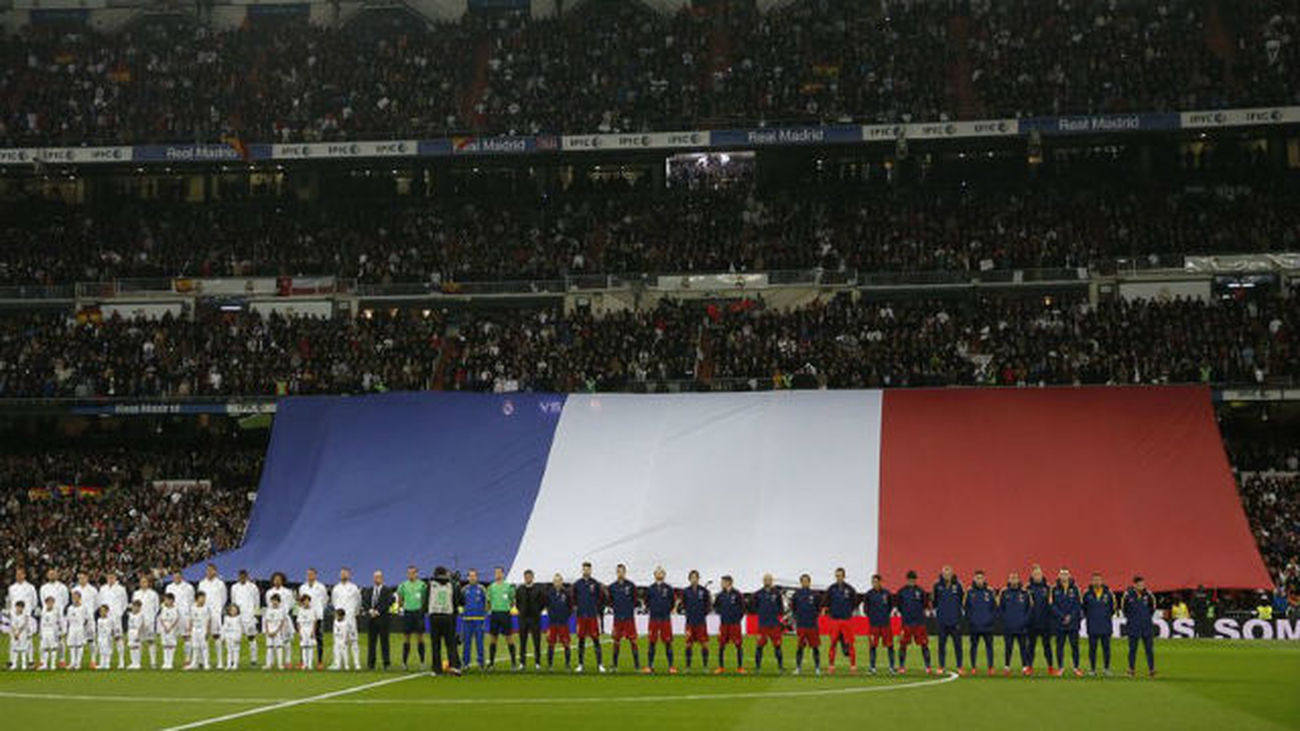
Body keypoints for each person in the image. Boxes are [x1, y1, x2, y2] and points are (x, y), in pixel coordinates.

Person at [427, 565, 463, 676]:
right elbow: (461, 601)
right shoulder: (452, 584)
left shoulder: (430, 585)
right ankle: (454, 666)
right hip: (448, 616)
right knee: (451, 643)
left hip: (434, 616)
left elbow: (426, 599)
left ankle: (436, 669)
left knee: (435, 644)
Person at [571, 562, 605, 673]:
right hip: (581, 617)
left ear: (591, 570)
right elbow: (573, 598)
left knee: (596, 640)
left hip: (592, 616)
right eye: (584, 569)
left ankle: (600, 664)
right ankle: (580, 664)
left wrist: (595, 608)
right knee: (581, 640)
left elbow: (601, 598)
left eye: (588, 569)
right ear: (582, 570)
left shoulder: (595, 584)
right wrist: (577, 607)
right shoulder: (577, 584)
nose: (586, 571)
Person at [896, 570, 932, 674]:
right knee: (903, 645)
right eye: (910, 579)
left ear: (916, 580)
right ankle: (902, 666)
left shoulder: (921, 591)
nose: (911, 581)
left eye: (913, 579)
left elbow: (925, 605)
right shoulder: (901, 591)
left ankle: (928, 666)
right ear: (907, 580)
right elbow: (899, 606)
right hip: (906, 623)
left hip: (919, 623)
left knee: (924, 644)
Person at [823, 567, 858, 673]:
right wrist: (831, 613)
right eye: (837, 576)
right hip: (835, 621)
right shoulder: (831, 589)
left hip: (846, 620)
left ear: (844, 576)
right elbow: (826, 602)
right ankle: (831, 666)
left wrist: (847, 612)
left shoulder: (850, 589)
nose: (838, 577)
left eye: (840, 575)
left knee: (850, 644)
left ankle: (853, 666)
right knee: (833, 643)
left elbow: (854, 602)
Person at [1051, 568, 1084, 677]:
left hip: (1073, 623)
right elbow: (1052, 605)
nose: (1064, 576)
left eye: (1066, 574)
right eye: (1062, 574)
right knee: (1059, 646)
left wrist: (1071, 616)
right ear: (1059, 576)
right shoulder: (1054, 589)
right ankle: (1060, 668)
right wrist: (1062, 616)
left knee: (1074, 646)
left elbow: (1078, 605)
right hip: (1059, 622)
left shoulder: (1075, 589)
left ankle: (1076, 667)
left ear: (1069, 576)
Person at [1122, 576, 1157, 677]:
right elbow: (1125, 609)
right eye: (1139, 584)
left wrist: (1145, 618)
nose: (1141, 586)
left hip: (1146, 626)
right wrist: (1132, 619)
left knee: (1149, 649)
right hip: (1133, 626)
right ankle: (1131, 669)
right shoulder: (1128, 595)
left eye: (1142, 584)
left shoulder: (1149, 594)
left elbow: (1152, 608)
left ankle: (1151, 669)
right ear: (1134, 585)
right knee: (1132, 649)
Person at [608, 564, 641, 673]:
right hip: (617, 619)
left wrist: (628, 609)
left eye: (622, 571)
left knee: (633, 641)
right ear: (616, 573)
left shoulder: (631, 586)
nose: (620, 573)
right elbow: (610, 601)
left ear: (625, 572)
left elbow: (635, 601)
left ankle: (637, 666)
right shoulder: (612, 587)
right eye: (618, 571)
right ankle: (614, 665)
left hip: (629, 618)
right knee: (616, 642)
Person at [643, 567, 676, 674]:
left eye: (661, 572)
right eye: (657, 572)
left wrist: (666, 611)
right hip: (653, 619)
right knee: (652, 642)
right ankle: (650, 666)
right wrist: (653, 610)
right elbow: (646, 602)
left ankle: (671, 666)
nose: (659, 574)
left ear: (664, 574)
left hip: (665, 619)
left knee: (668, 642)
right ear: (654, 574)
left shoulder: (669, 588)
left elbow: (672, 602)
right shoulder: (650, 589)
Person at [999, 572, 1032, 676]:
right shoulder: (1004, 593)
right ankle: (1007, 667)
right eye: (1011, 578)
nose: (1013, 580)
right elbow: (1001, 609)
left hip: (1022, 626)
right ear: (1009, 580)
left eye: (1015, 578)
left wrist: (1024, 621)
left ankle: (1024, 667)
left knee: (1023, 648)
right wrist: (1006, 620)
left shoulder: (1025, 593)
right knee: (1008, 647)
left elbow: (1029, 609)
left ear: (1018, 580)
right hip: (1008, 626)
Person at [1083, 572, 1116, 676]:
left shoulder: (1108, 593)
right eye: (1095, 580)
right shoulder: (1087, 593)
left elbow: (1113, 609)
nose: (1097, 582)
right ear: (1092, 581)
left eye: (1098, 580)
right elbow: (1084, 608)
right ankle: (1092, 669)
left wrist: (1105, 617)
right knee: (1092, 649)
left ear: (1102, 581)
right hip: (1092, 625)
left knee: (1106, 648)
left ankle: (1106, 669)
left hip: (1105, 625)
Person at [933, 565, 964, 673]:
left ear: (952, 574)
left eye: (948, 573)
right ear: (942, 574)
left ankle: (959, 666)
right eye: (945, 573)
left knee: (958, 645)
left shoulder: (958, 585)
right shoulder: (937, 585)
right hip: (942, 621)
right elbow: (935, 602)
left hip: (955, 621)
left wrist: (958, 617)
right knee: (941, 645)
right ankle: (941, 666)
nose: (947, 575)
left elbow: (960, 600)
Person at [965, 570, 996, 676]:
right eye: (977, 578)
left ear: (984, 579)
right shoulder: (969, 592)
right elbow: (966, 609)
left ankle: (990, 667)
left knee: (989, 647)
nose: (979, 580)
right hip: (974, 626)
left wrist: (990, 620)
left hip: (987, 626)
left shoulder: (990, 592)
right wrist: (971, 620)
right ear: (974, 579)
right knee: (973, 647)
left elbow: (994, 609)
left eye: (981, 578)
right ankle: (973, 667)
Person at [396, 565, 428, 670]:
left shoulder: (422, 585)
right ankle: (404, 663)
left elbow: (424, 599)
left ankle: (422, 662)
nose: (411, 575)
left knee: (420, 638)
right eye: (409, 573)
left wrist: (422, 609)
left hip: (418, 613)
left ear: (416, 574)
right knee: (406, 638)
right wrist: (400, 608)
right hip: (408, 613)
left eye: (413, 573)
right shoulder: (403, 585)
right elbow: (400, 599)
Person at [752, 573, 785, 673]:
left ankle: (780, 667)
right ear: (763, 581)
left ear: (772, 581)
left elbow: (781, 608)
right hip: (762, 625)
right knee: (759, 646)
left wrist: (778, 618)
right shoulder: (758, 593)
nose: (767, 581)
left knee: (777, 646)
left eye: (769, 579)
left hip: (774, 624)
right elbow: (754, 607)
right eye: (765, 579)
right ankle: (758, 667)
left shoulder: (777, 593)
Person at [486, 566, 517, 670]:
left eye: (499, 573)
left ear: (503, 574)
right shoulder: (491, 587)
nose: (498, 575)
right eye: (496, 573)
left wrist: (507, 607)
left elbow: (512, 601)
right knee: (493, 639)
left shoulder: (508, 587)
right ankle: (491, 663)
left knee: (509, 638)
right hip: (494, 614)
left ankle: (513, 663)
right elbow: (489, 601)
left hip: (505, 614)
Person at [864, 574, 896, 674]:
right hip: (874, 625)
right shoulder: (869, 594)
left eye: (876, 582)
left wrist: (885, 615)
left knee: (890, 646)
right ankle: (872, 667)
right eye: (873, 582)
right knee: (872, 646)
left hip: (885, 624)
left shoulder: (887, 594)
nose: (874, 584)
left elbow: (891, 606)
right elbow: (866, 608)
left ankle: (891, 667)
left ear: (880, 582)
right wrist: (872, 616)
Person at [1025, 564, 1054, 674]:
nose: (1037, 576)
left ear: (1042, 575)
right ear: (1032, 576)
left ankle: (1050, 668)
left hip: (1045, 623)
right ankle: (1029, 667)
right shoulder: (1027, 588)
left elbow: (1051, 605)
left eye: (1039, 574)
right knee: (1030, 647)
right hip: (1032, 623)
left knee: (1047, 646)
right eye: (1035, 574)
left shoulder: (1048, 588)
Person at [681, 569, 712, 672]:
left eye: (696, 577)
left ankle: (705, 666)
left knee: (704, 644)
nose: (694, 579)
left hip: (701, 623)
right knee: (688, 644)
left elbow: (708, 605)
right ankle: (688, 667)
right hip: (690, 622)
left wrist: (703, 614)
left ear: (698, 579)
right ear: (689, 579)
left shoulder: (704, 591)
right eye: (692, 577)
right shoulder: (685, 591)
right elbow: (683, 605)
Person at [791, 574, 821, 675]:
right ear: (801, 582)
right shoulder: (796, 594)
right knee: (800, 647)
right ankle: (798, 668)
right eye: (803, 581)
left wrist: (813, 617)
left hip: (812, 625)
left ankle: (817, 668)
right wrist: (797, 619)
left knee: (815, 647)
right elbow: (793, 608)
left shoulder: (815, 594)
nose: (805, 583)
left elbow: (818, 608)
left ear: (809, 582)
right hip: (801, 625)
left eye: (806, 581)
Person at [515, 569, 545, 671]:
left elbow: (542, 602)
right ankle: (522, 663)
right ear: (524, 578)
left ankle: (537, 662)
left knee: (537, 641)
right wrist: (522, 611)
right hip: (523, 618)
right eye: (526, 576)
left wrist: (537, 611)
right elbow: (518, 603)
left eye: (529, 576)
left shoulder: (538, 589)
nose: (528, 578)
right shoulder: (520, 589)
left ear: (532, 577)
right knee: (522, 641)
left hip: (535, 619)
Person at [363, 570, 394, 670]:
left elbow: (389, 601)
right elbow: (365, 601)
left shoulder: (387, 590)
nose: (377, 579)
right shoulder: (369, 590)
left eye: (379, 577)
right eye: (375, 577)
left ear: (382, 578)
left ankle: (386, 663)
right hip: (371, 619)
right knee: (371, 642)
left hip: (383, 619)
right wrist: (370, 610)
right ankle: (371, 664)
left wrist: (378, 611)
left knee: (384, 642)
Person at [331, 568, 362, 666]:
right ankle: (338, 663)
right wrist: (338, 614)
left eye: (345, 573)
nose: (343, 575)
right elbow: (333, 602)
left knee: (354, 640)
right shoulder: (336, 588)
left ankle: (357, 663)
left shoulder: (354, 588)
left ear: (349, 575)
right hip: (339, 619)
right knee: (338, 641)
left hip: (350, 617)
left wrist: (354, 612)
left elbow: (358, 602)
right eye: (342, 573)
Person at [298, 568, 328, 666]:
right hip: (305, 617)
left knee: (318, 638)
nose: (310, 576)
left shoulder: (321, 587)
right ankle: (303, 661)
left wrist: (317, 610)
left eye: (312, 574)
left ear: (315, 575)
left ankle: (319, 661)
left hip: (317, 616)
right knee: (303, 638)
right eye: (308, 574)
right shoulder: (302, 587)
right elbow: (301, 601)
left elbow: (324, 600)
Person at [230, 570, 260, 666]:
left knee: (251, 638)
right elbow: (233, 601)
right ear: (238, 577)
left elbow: (257, 601)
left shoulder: (253, 587)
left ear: (247, 576)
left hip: (249, 616)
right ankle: (234, 660)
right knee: (235, 639)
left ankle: (253, 660)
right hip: (237, 617)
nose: (242, 578)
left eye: (244, 576)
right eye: (240, 576)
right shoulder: (234, 587)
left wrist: (255, 614)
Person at [99, 572, 129, 667]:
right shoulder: (103, 589)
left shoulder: (121, 589)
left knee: (118, 637)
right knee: (104, 639)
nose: (110, 579)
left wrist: (119, 613)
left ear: (115, 578)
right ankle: (105, 661)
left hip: (116, 617)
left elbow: (124, 603)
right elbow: (100, 602)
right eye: (109, 577)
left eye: (112, 577)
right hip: (105, 617)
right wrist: (103, 613)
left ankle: (121, 661)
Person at [461, 569, 489, 670]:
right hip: (467, 619)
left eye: (474, 576)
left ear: (477, 577)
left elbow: (487, 603)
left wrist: (484, 615)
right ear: (468, 577)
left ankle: (481, 663)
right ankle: (465, 662)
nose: (472, 578)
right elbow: (460, 603)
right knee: (466, 642)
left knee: (479, 642)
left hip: (479, 619)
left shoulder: (481, 589)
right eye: (470, 576)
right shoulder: (464, 589)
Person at [38, 568, 69, 661]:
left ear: (57, 575)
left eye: (53, 574)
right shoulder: (43, 588)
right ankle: (43, 660)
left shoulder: (62, 587)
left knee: (59, 638)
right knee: (44, 638)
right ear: (47, 575)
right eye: (50, 574)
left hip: (59, 614)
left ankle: (62, 659)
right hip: (47, 614)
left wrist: (59, 610)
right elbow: (42, 600)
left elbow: (66, 600)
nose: (52, 576)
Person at [264, 573, 295, 664]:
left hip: (284, 618)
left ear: (282, 580)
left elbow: (291, 604)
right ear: (273, 581)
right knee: (271, 642)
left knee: (287, 640)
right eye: (275, 579)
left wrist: (283, 613)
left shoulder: (287, 592)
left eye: (279, 579)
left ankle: (287, 661)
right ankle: (271, 661)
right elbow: (268, 604)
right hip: (273, 619)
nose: (277, 581)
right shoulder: (269, 592)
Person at [197, 565, 227, 658]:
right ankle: (203, 660)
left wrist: (218, 609)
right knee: (203, 636)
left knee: (216, 636)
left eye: (211, 570)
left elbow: (224, 598)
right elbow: (199, 597)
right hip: (204, 612)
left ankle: (219, 661)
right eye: (208, 570)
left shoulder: (220, 584)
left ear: (215, 571)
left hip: (216, 613)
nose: (209, 572)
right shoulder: (202, 583)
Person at [545, 573, 573, 671]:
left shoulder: (566, 593)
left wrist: (565, 617)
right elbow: (547, 606)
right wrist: (552, 616)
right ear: (553, 582)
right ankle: (550, 665)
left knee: (566, 644)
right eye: (555, 581)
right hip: (552, 623)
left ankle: (567, 665)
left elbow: (570, 607)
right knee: (551, 644)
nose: (557, 583)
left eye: (559, 581)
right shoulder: (549, 593)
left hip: (563, 623)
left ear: (562, 582)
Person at [132, 574, 161, 669]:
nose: (143, 584)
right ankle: (137, 662)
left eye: (145, 582)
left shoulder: (153, 594)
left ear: (148, 583)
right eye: (141, 582)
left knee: (151, 641)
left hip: (149, 620)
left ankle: (153, 662)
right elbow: (134, 607)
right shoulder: (136, 594)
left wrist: (151, 617)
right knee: (139, 641)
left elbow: (157, 608)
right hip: (139, 621)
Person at [166, 571, 194, 665]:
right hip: (172, 615)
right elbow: (167, 602)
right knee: (170, 638)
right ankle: (169, 661)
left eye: (178, 576)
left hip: (184, 615)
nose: (176, 578)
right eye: (174, 576)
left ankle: (187, 659)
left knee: (186, 637)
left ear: (181, 576)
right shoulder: (169, 587)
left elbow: (191, 602)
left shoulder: (189, 587)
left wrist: (190, 616)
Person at [263, 593, 289, 670]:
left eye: (276, 601)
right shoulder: (268, 610)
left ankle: (280, 664)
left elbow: (282, 622)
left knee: (279, 647)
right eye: (273, 601)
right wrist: (267, 631)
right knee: (269, 648)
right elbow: (266, 621)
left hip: (278, 632)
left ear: (279, 602)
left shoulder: (281, 611)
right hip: (269, 631)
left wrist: (277, 631)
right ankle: (268, 664)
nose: (274, 602)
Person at [65, 591, 90, 670]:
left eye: (76, 597)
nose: (75, 599)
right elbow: (68, 619)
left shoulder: (84, 607)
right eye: (73, 597)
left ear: (80, 598)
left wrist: (82, 626)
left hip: (80, 628)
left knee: (79, 645)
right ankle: (72, 662)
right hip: (72, 628)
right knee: (72, 645)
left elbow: (86, 619)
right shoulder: (70, 608)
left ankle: (78, 663)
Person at [186, 592, 211, 670]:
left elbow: (208, 620)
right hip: (195, 629)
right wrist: (190, 631)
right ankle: (194, 663)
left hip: (203, 628)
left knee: (204, 646)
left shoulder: (206, 608)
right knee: (195, 646)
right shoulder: (193, 607)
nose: (203, 599)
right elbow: (191, 619)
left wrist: (207, 631)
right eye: (201, 598)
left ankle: (206, 663)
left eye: (204, 598)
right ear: (197, 599)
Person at [158, 593, 181, 670]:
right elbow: (160, 618)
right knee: (165, 645)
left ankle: (170, 662)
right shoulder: (163, 608)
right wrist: (164, 626)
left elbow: (177, 619)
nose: (165, 601)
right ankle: (165, 662)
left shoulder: (175, 609)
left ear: (171, 600)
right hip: (164, 627)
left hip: (172, 627)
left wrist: (171, 627)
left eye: (167, 600)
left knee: (171, 645)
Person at [39, 596, 62, 671]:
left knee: (53, 648)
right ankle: (45, 664)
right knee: (44, 648)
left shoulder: (56, 611)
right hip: (45, 630)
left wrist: (60, 632)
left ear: (53, 603)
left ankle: (53, 664)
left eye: (51, 602)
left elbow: (60, 621)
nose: (49, 604)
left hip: (52, 631)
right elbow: (41, 622)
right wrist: (40, 632)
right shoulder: (43, 611)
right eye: (48, 602)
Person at [297, 596, 317, 671]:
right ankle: (305, 664)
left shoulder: (312, 610)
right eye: (304, 601)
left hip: (310, 629)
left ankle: (310, 664)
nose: (306, 602)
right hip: (303, 629)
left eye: (307, 601)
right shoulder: (300, 610)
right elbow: (298, 622)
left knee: (310, 647)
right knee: (304, 647)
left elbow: (314, 621)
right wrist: (299, 632)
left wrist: (313, 631)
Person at [220, 604, 242, 670]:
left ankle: (235, 663)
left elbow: (239, 629)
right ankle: (229, 664)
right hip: (228, 636)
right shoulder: (226, 618)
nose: (233, 612)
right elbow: (224, 628)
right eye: (232, 610)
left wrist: (238, 637)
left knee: (236, 651)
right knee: (229, 651)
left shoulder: (238, 618)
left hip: (235, 636)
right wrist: (223, 637)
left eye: (235, 610)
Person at [126, 599, 146, 669]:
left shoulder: (141, 615)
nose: (135, 608)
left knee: (137, 647)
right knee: (131, 647)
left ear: (140, 607)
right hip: (131, 631)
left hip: (137, 631)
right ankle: (133, 662)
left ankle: (137, 663)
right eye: (134, 606)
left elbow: (142, 625)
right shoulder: (130, 614)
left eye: (137, 607)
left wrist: (139, 634)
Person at [94, 604, 115, 671]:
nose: (102, 613)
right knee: (101, 650)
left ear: (107, 611)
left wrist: (110, 635)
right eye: (101, 611)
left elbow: (112, 629)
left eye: (104, 611)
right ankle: (102, 663)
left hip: (107, 637)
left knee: (107, 650)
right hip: (100, 637)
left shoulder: (110, 620)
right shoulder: (99, 620)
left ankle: (107, 663)